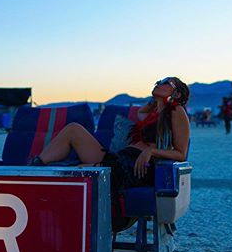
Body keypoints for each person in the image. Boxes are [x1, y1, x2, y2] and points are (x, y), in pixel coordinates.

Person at [31, 77, 191, 230]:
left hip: (136, 167)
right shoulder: (153, 114)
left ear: (176, 94)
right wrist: (156, 100)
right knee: (73, 129)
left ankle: (66, 214)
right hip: (120, 158)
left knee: (81, 172)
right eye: (158, 81)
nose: (159, 83)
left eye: (165, 82)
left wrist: (152, 150)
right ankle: (35, 168)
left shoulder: (177, 111)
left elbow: (181, 154)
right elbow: (142, 112)